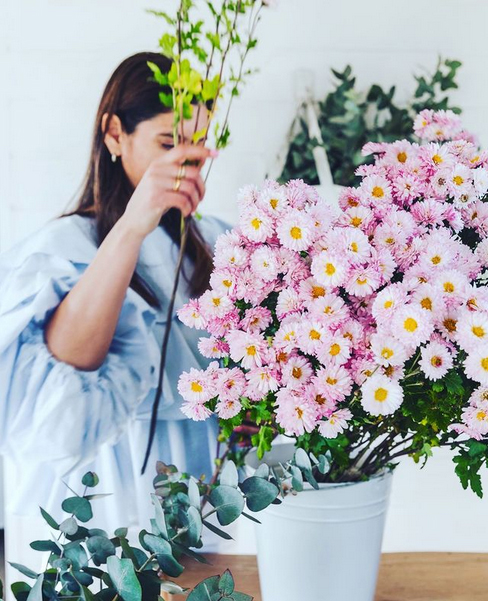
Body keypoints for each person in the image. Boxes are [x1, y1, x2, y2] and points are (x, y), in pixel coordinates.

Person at [0, 51, 229, 580]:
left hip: (194, 504)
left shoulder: (214, 242)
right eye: (168, 144)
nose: (186, 164)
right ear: (114, 134)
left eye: (197, 147)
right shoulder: (63, 249)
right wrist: (132, 226)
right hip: (96, 505)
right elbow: (67, 391)